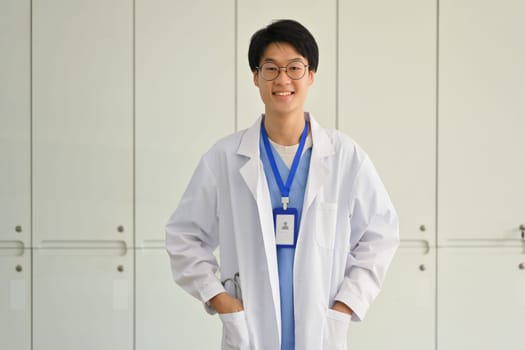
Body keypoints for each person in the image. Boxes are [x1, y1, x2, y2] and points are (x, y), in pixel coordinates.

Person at [166, 19, 399, 350]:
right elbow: (183, 236)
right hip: (250, 331)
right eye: (271, 69)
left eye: (295, 68)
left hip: (321, 332)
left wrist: (346, 305)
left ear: (312, 75)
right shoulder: (225, 158)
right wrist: (220, 300)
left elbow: (381, 234)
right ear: (255, 77)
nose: (283, 80)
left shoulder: (345, 157)